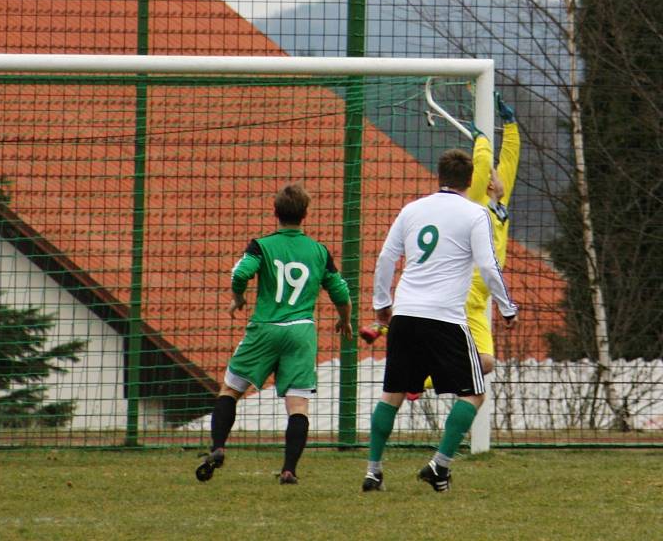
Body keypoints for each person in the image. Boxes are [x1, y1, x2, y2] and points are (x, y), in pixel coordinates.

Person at [361, 148, 518, 493]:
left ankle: (373, 471)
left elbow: (387, 257)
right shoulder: (475, 215)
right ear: (469, 181)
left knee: (392, 393)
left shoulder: (412, 209)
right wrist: (507, 307)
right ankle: (439, 465)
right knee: (474, 394)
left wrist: (382, 304)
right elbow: (489, 267)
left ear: (439, 175)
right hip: (444, 318)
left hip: (404, 314)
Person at [196, 183, 352, 485]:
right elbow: (341, 291)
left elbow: (240, 273)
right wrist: (344, 319)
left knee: (230, 390)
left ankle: (217, 447)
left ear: (275, 212)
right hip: (301, 332)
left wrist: (239, 297)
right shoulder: (319, 251)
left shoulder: (262, 245)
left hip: (265, 329)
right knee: (298, 406)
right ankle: (289, 470)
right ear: (305, 215)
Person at [408, 92, 521, 399]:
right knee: (453, 352)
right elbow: (484, 161)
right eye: (489, 176)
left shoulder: (501, 200)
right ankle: (411, 365)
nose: (496, 177)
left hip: (481, 297)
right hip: (466, 288)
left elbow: (509, 160)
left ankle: (418, 382)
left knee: (485, 363)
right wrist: (480, 137)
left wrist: (510, 124)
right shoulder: (473, 202)